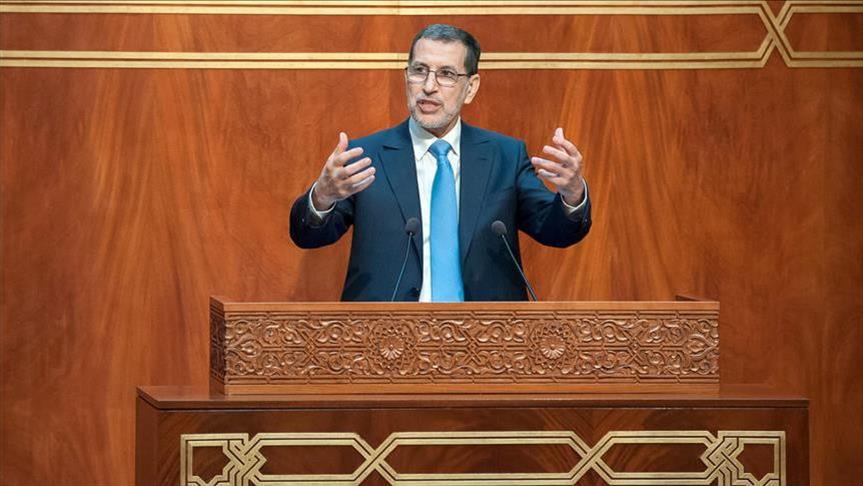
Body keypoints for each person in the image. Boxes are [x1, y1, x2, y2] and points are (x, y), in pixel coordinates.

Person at [290, 24, 592, 301]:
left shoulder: (505, 155)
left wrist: (573, 194)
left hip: (488, 334)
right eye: (419, 70)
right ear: (406, 77)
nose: (429, 86)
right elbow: (309, 236)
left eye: (446, 74)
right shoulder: (366, 156)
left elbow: (556, 231)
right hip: (385, 335)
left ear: (471, 88)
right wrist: (322, 197)